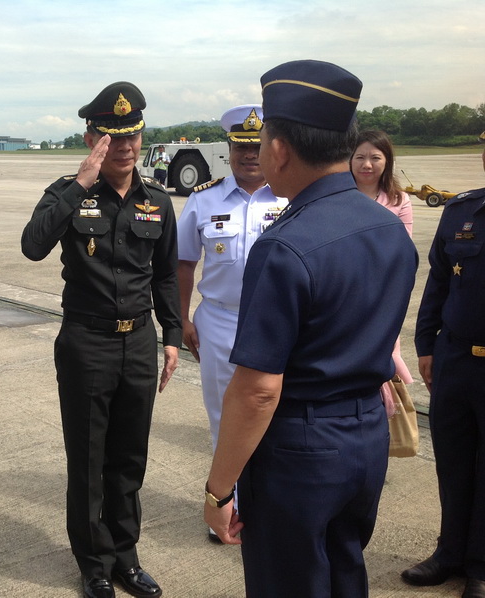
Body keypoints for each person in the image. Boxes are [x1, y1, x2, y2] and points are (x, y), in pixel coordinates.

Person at [202, 60, 417, 598]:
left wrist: (218, 490)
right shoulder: (388, 228)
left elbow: (257, 391)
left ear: (279, 149)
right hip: (365, 438)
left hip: (300, 450)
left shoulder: (283, 246)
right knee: (345, 573)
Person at [21, 81, 181, 598]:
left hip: (138, 342)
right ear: (93, 138)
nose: (126, 146)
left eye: (133, 135)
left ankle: (126, 557)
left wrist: (172, 334)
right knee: (89, 460)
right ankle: (93, 563)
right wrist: (79, 185)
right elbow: (32, 246)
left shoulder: (156, 200)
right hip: (86, 343)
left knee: (129, 459)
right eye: (113, 137)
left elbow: (164, 274)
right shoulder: (68, 192)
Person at [177, 104, 287, 543]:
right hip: (221, 321)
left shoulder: (291, 198)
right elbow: (183, 263)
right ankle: (227, 506)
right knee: (224, 418)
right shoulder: (204, 200)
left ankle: (273, 505)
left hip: (280, 324)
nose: (249, 155)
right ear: (228, 149)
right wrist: (181, 318)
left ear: (271, 148)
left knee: (278, 417)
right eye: (241, 146)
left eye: (256, 146)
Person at [403, 130, 485, 598]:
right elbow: (437, 283)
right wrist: (426, 345)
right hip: (455, 359)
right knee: (452, 463)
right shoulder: (460, 212)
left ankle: (481, 565)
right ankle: (449, 552)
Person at [350, 129, 414, 417]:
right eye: (360, 157)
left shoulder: (399, 200)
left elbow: (404, 253)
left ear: (387, 161)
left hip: (382, 294)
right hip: (345, 290)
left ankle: (382, 413)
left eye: (375, 158)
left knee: (382, 355)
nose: (367, 164)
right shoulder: (339, 197)